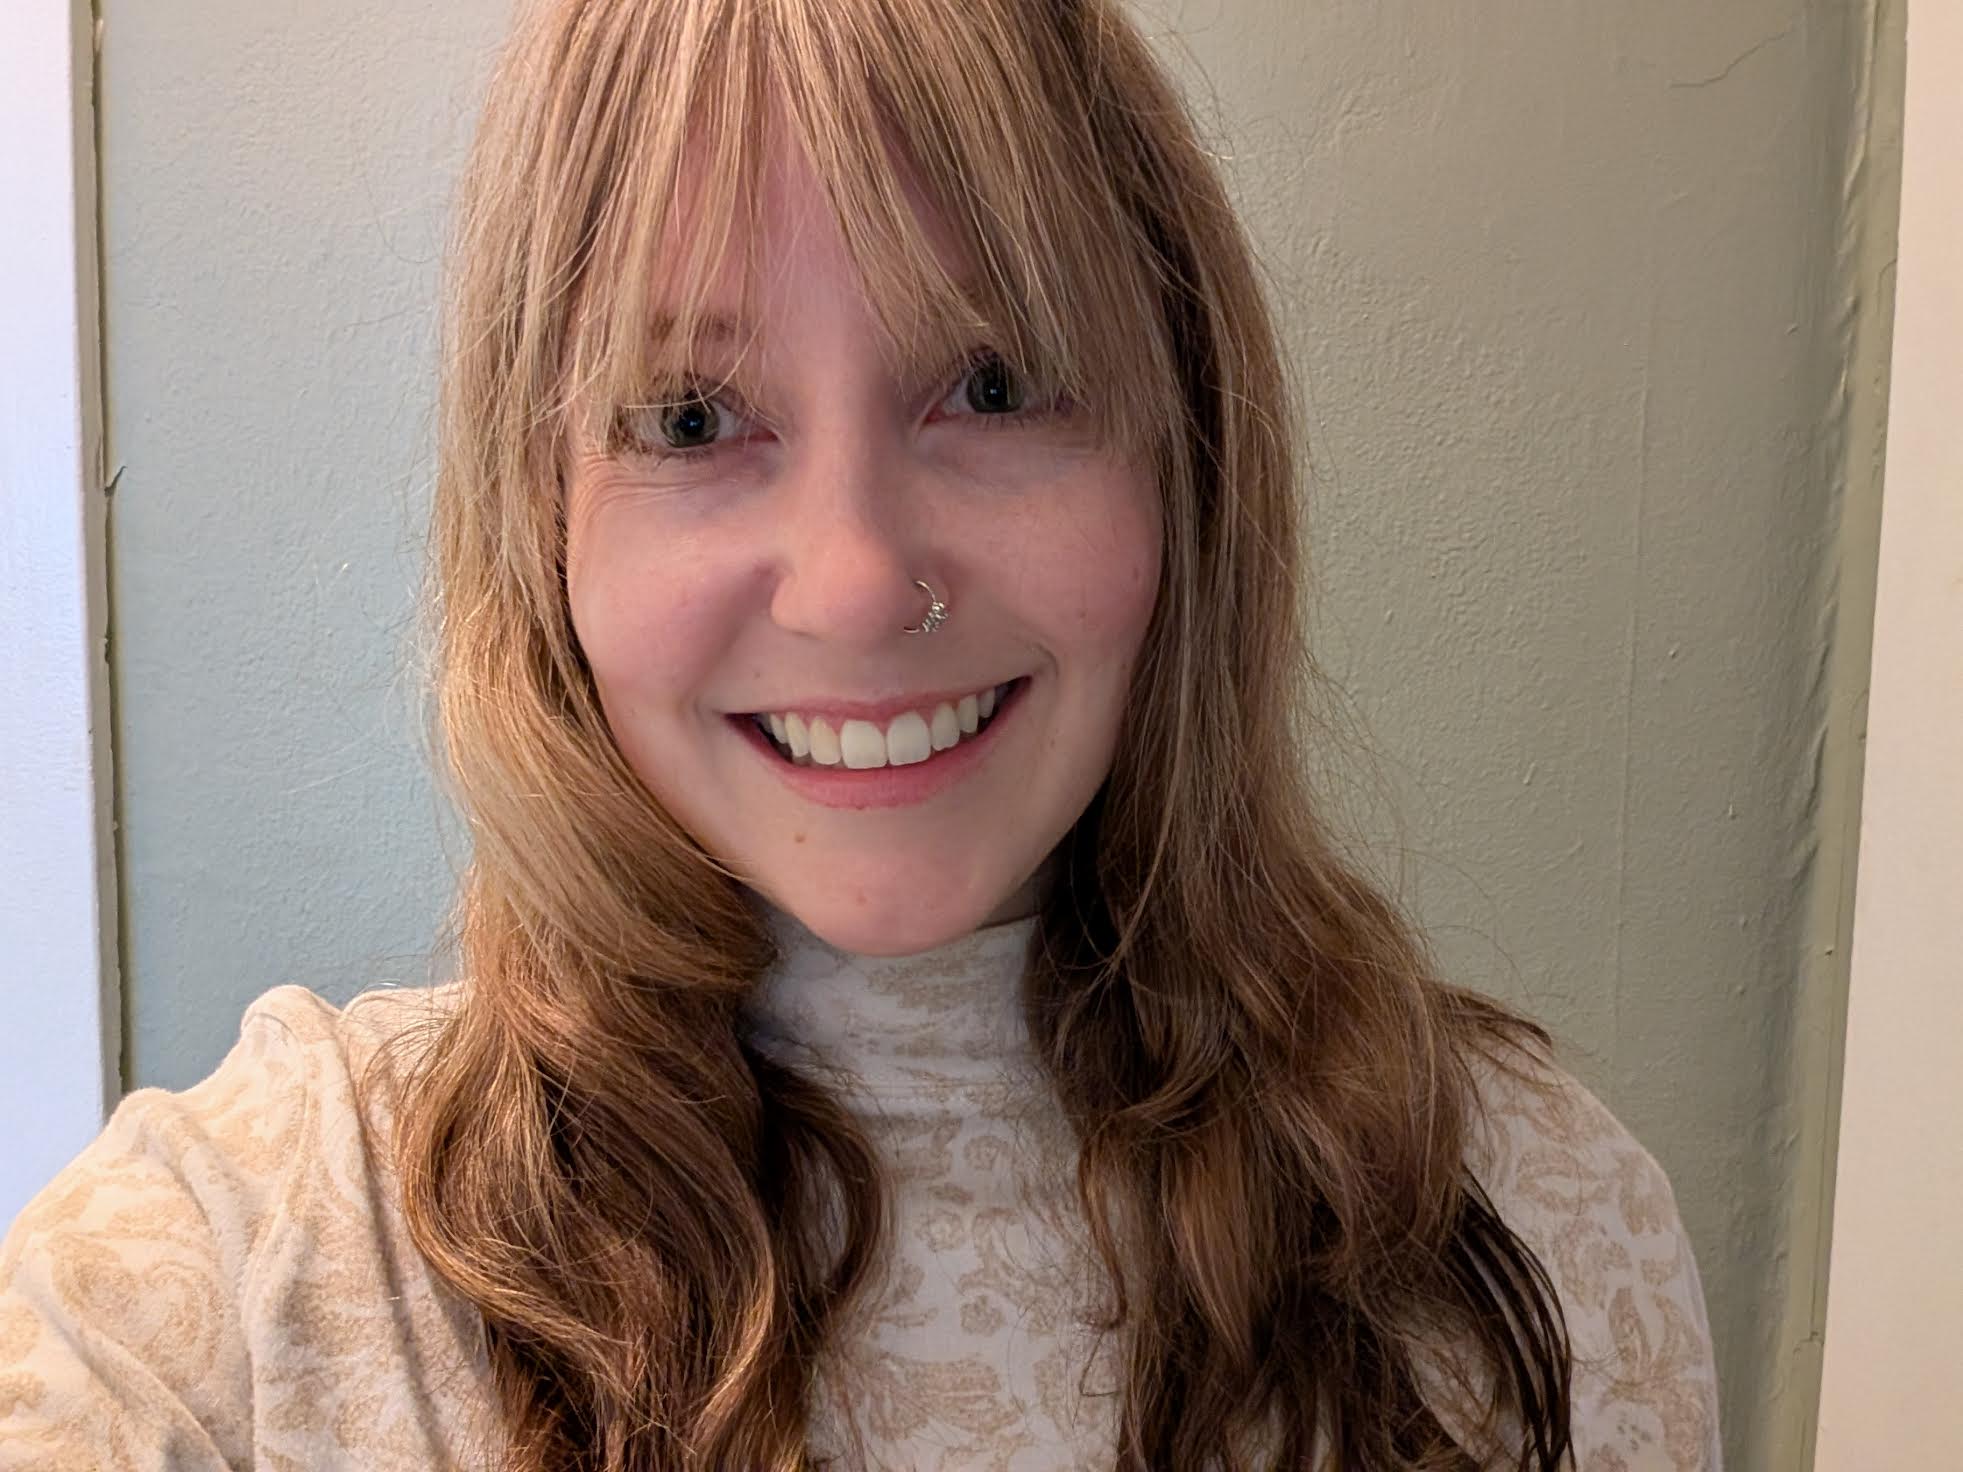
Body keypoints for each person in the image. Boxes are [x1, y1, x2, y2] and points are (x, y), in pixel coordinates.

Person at [0, 0, 1723, 1467]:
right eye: (690, 415)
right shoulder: (234, 1267)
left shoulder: (1547, 1226)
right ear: (547, 523)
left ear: (1185, 450)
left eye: (991, 383)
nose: (851, 582)